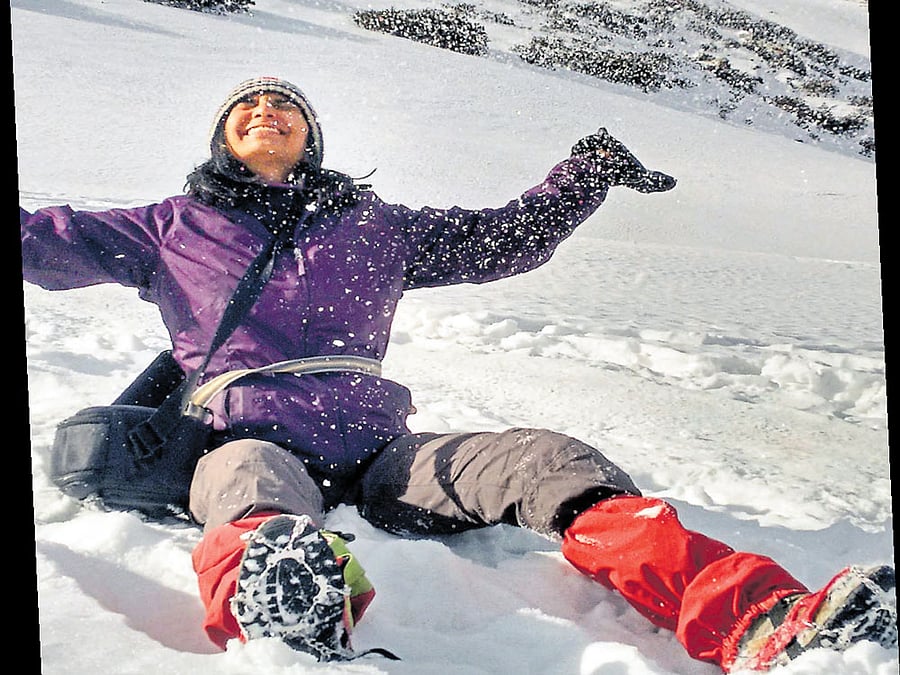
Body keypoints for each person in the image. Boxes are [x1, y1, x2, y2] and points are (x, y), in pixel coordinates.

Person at [21, 77, 896, 671]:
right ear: (223, 134)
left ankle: (756, 618)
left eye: (285, 105)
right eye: (247, 105)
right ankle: (286, 617)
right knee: (253, 484)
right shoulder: (173, 227)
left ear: (311, 134)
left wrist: (581, 176)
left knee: (545, 459)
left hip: (381, 448)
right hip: (247, 431)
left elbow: (500, 239)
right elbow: (44, 242)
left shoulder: (372, 225)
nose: (266, 111)